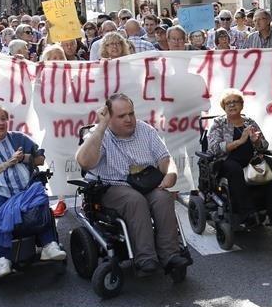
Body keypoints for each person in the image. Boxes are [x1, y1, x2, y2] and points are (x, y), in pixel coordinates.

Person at [75, 93, 189, 275]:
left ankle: (170, 255)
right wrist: (101, 127)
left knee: (163, 197)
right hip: (112, 186)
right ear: (109, 117)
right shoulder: (99, 134)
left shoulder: (145, 130)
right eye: (121, 116)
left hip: (146, 182)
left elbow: (165, 159)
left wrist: (171, 173)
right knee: (134, 200)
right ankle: (145, 258)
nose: (129, 119)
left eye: (131, 113)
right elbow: (84, 162)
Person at [0, 104, 65, 277]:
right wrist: (7, 163)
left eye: (3, 119)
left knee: (40, 199)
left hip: (25, 189)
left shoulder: (18, 138)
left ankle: (49, 245)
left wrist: (23, 158)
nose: (1, 123)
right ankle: (3, 258)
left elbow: (40, 159)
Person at [206, 90, 272, 226]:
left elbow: (264, 145)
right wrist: (240, 141)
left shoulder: (250, 122)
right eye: (228, 103)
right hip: (228, 160)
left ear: (241, 105)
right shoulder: (219, 123)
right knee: (234, 169)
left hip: (251, 159)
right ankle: (246, 213)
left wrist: (256, 141)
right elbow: (214, 148)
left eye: (235, 102)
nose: (231, 105)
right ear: (224, 107)